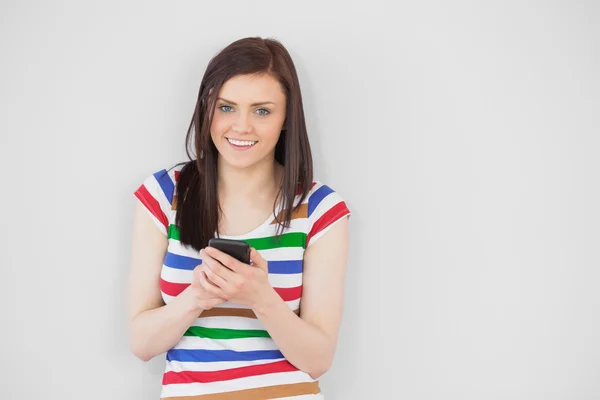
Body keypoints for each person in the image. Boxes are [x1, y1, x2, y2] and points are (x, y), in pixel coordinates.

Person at [128, 36, 351, 399]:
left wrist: (261, 297)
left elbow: (318, 359)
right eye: (226, 108)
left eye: (262, 111)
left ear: (285, 119)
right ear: (206, 109)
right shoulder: (164, 195)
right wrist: (198, 296)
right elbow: (141, 343)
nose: (241, 126)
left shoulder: (320, 209)